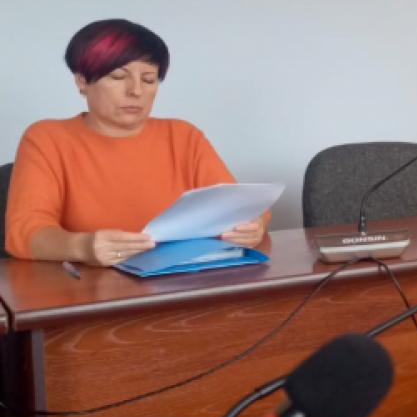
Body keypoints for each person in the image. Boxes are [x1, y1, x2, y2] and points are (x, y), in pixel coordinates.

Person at [4, 19, 268, 265]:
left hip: (181, 281)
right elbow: (24, 232)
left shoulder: (183, 136)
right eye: (118, 77)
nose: (136, 91)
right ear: (82, 81)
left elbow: (239, 206)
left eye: (149, 79)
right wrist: (82, 247)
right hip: (87, 287)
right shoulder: (48, 138)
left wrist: (252, 226)